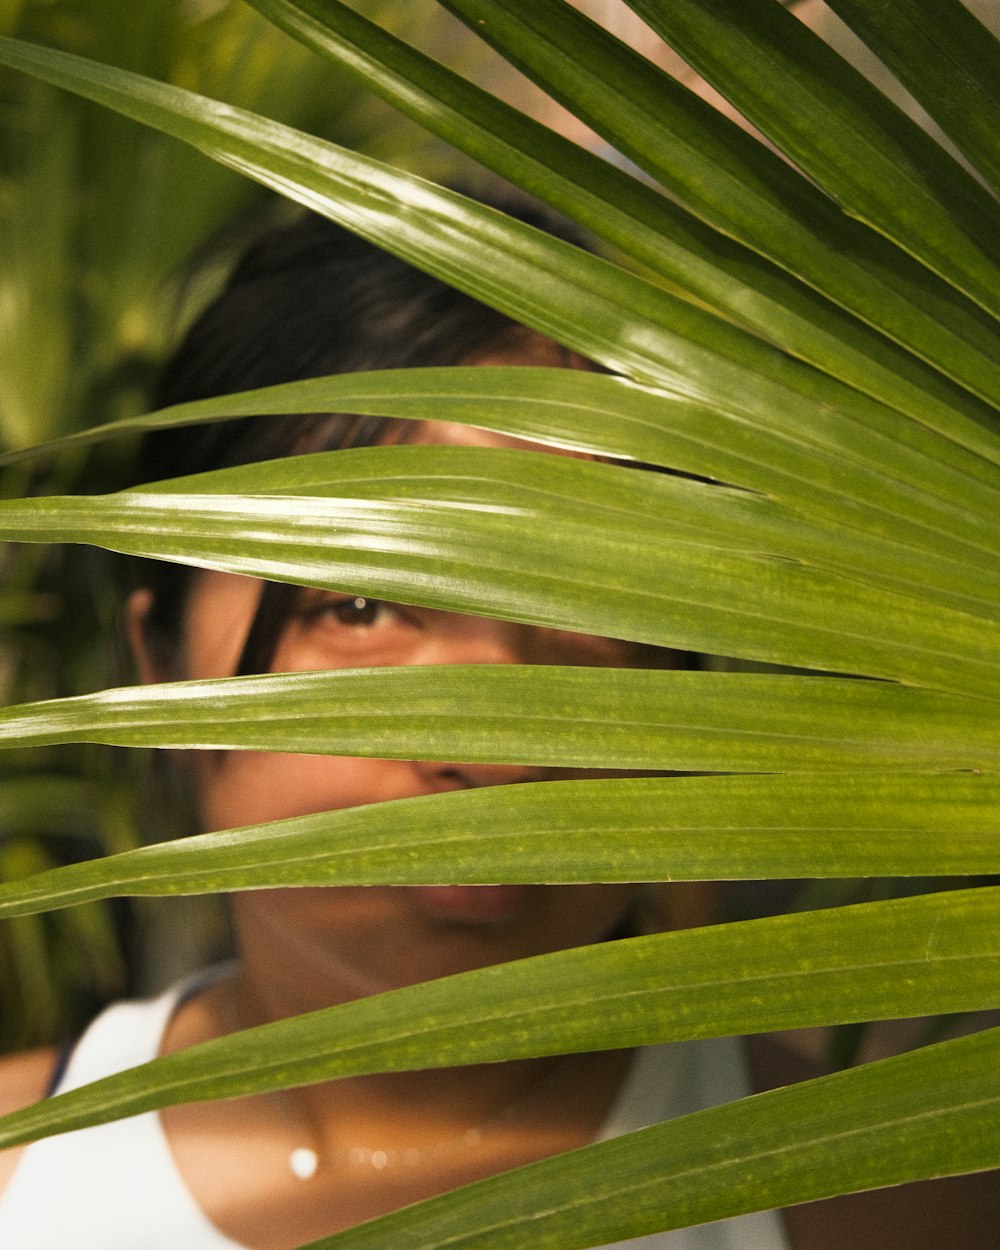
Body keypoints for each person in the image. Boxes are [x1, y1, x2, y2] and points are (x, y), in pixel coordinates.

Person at [0, 203, 996, 1250]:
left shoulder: (893, 1202)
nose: (495, 740)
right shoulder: (28, 1175)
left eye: (588, 604)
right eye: (361, 606)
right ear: (159, 665)